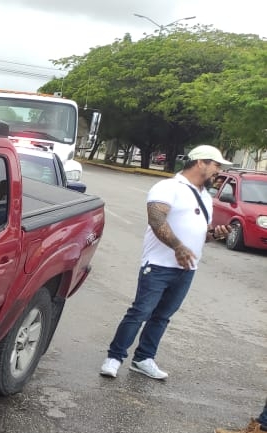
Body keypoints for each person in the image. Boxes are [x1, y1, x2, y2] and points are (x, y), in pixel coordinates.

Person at [99, 145, 232, 380]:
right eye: (216, 165)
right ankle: (114, 357)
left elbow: (201, 236)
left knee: (162, 316)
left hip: (187, 268)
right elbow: (156, 218)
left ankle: (143, 358)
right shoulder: (169, 187)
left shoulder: (204, 196)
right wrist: (178, 247)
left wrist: (215, 234)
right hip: (158, 265)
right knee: (140, 312)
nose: (218, 172)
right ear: (200, 162)